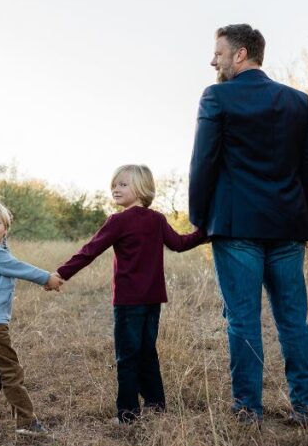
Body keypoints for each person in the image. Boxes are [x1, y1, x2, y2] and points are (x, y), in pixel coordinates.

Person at [188, 24, 308, 427]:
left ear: (241, 54)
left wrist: (199, 220)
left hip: (236, 227)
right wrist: (301, 221)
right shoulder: (298, 102)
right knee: (293, 321)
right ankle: (306, 409)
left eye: (219, 53)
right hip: (287, 226)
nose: (213, 60)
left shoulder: (216, 97)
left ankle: (248, 411)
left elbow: (203, 164)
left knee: (243, 320)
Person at [53, 165, 206, 423]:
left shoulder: (118, 221)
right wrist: (207, 231)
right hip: (152, 299)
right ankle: (156, 404)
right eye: (114, 184)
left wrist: (61, 274)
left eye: (123, 184)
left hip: (128, 301)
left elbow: (90, 250)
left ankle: (127, 413)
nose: (116, 188)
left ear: (142, 188)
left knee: (127, 355)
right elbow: (180, 244)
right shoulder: (156, 219)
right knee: (147, 351)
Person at [0, 200, 64, 436]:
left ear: (6, 228)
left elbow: (9, 256)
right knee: (11, 371)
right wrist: (47, 278)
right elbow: (20, 268)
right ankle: (27, 423)